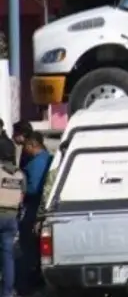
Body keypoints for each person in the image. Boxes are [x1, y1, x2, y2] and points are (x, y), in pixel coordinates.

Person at [18, 132, 52, 292]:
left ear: (32, 145)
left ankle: (31, 275)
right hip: (40, 206)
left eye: (25, 146)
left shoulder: (37, 163)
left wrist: (20, 190)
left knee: (29, 241)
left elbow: (33, 188)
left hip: (34, 206)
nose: (24, 149)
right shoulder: (47, 158)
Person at [0, 122, 18, 297]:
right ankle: (7, 292)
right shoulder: (19, 174)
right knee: (8, 258)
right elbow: (24, 194)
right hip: (12, 217)